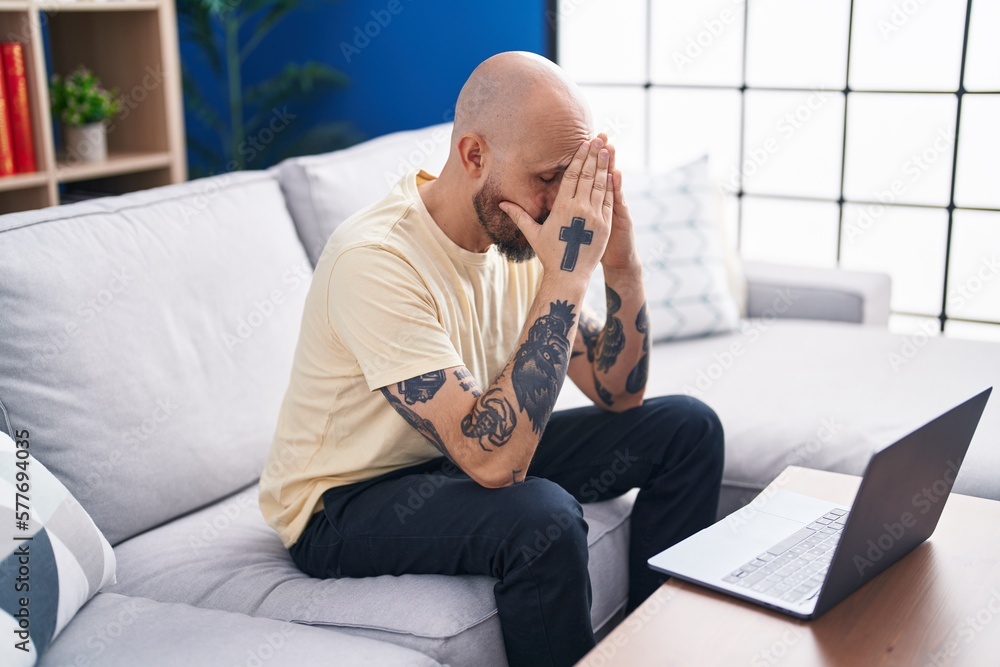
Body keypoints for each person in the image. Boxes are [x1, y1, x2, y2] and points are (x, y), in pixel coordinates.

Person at [259, 51, 724, 667]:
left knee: (688, 428)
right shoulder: (374, 260)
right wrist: (566, 278)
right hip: (344, 502)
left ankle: (651, 651)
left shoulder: (516, 240)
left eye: (573, 177)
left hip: (452, 453)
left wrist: (620, 263)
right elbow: (495, 464)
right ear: (474, 156)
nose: (563, 204)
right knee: (543, 517)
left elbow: (619, 391)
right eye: (548, 177)